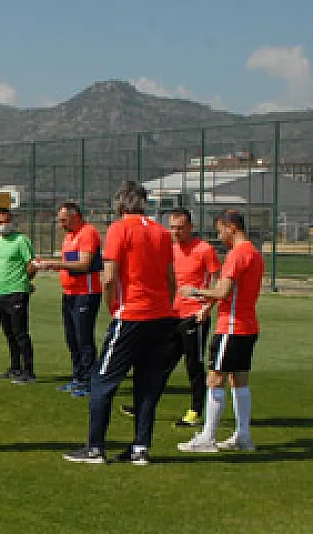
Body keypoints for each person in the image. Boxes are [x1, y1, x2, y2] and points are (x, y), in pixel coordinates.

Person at [63, 181, 179, 466]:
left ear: (120, 203)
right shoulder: (162, 233)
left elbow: (108, 276)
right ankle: (140, 447)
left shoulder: (119, 229)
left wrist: (113, 306)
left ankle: (95, 447)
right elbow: (170, 278)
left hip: (132, 314)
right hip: (161, 316)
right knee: (147, 383)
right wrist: (166, 305)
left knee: (102, 379)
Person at [122, 208, 220, 427]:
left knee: (194, 364)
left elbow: (218, 283)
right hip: (171, 316)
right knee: (161, 364)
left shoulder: (204, 250)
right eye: (172, 227)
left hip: (194, 316)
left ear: (190, 227)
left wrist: (206, 307)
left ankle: (196, 411)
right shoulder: (170, 249)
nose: (176, 232)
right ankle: (145, 405)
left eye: (180, 228)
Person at [177, 210, 264, 453]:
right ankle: (243, 436)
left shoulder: (237, 255)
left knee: (215, 379)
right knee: (239, 379)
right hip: (247, 325)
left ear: (231, 227)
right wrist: (209, 306)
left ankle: (208, 437)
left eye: (220, 230)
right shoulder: (254, 253)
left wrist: (195, 292)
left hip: (231, 327)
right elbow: (230, 291)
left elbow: (223, 291)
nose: (219, 235)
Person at [34, 202, 103, 398]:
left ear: (76, 216)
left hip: (86, 294)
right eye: (59, 220)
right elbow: (70, 263)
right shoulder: (69, 236)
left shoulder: (87, 232)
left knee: (84, 339)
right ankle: (78, 377)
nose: (60, 224)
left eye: (64, 220)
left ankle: (89, 381)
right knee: (72, 338)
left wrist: (53, 265)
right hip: (70, 294)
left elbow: (83, 264)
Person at [0, 207, 37, 384]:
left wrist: (25, 282)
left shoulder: (21, 240)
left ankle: (29, 371)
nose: (2, 225)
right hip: (1, 293)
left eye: (5, 222)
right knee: (9, 334)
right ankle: (15, 367)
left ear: (11, 222)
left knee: (21, 334)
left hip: (17, 293)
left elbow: (31, 263)